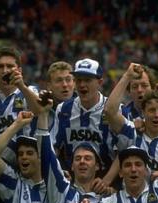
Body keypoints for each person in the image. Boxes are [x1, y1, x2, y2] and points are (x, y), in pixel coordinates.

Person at [51, 58, 119, 188]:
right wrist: (59, 171)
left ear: (100, 82)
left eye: (87, 80)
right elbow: (55, 147)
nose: (82, 85)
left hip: (107, 182)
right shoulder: (63, 109)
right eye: (78, 80)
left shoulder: (114, 110)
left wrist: (107, 181)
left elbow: (123, 151)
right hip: (72, 181)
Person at [104, 63, 158, 176]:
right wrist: (127, 76)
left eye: (144, 85)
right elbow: (109, 111)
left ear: (154, 88)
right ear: (129, 91)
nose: (140, 90)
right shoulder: (124, 114)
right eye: (134, 87)